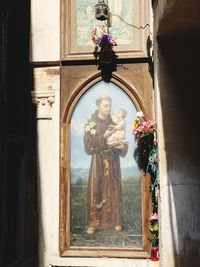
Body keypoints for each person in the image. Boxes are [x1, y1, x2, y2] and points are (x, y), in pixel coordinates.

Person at [83, 95, 128, 235]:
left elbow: (122, 138)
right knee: (96, 190)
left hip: (113, 160)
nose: (108, 108)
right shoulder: (92, 123)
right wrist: (103, 137)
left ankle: (115, 221)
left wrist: (122, 147)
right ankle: (93, 223)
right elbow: (88, 145)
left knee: (113, 190)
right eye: (105, 105)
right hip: (99, 161)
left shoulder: (114, 121)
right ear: (98, 106)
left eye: (109, 105)